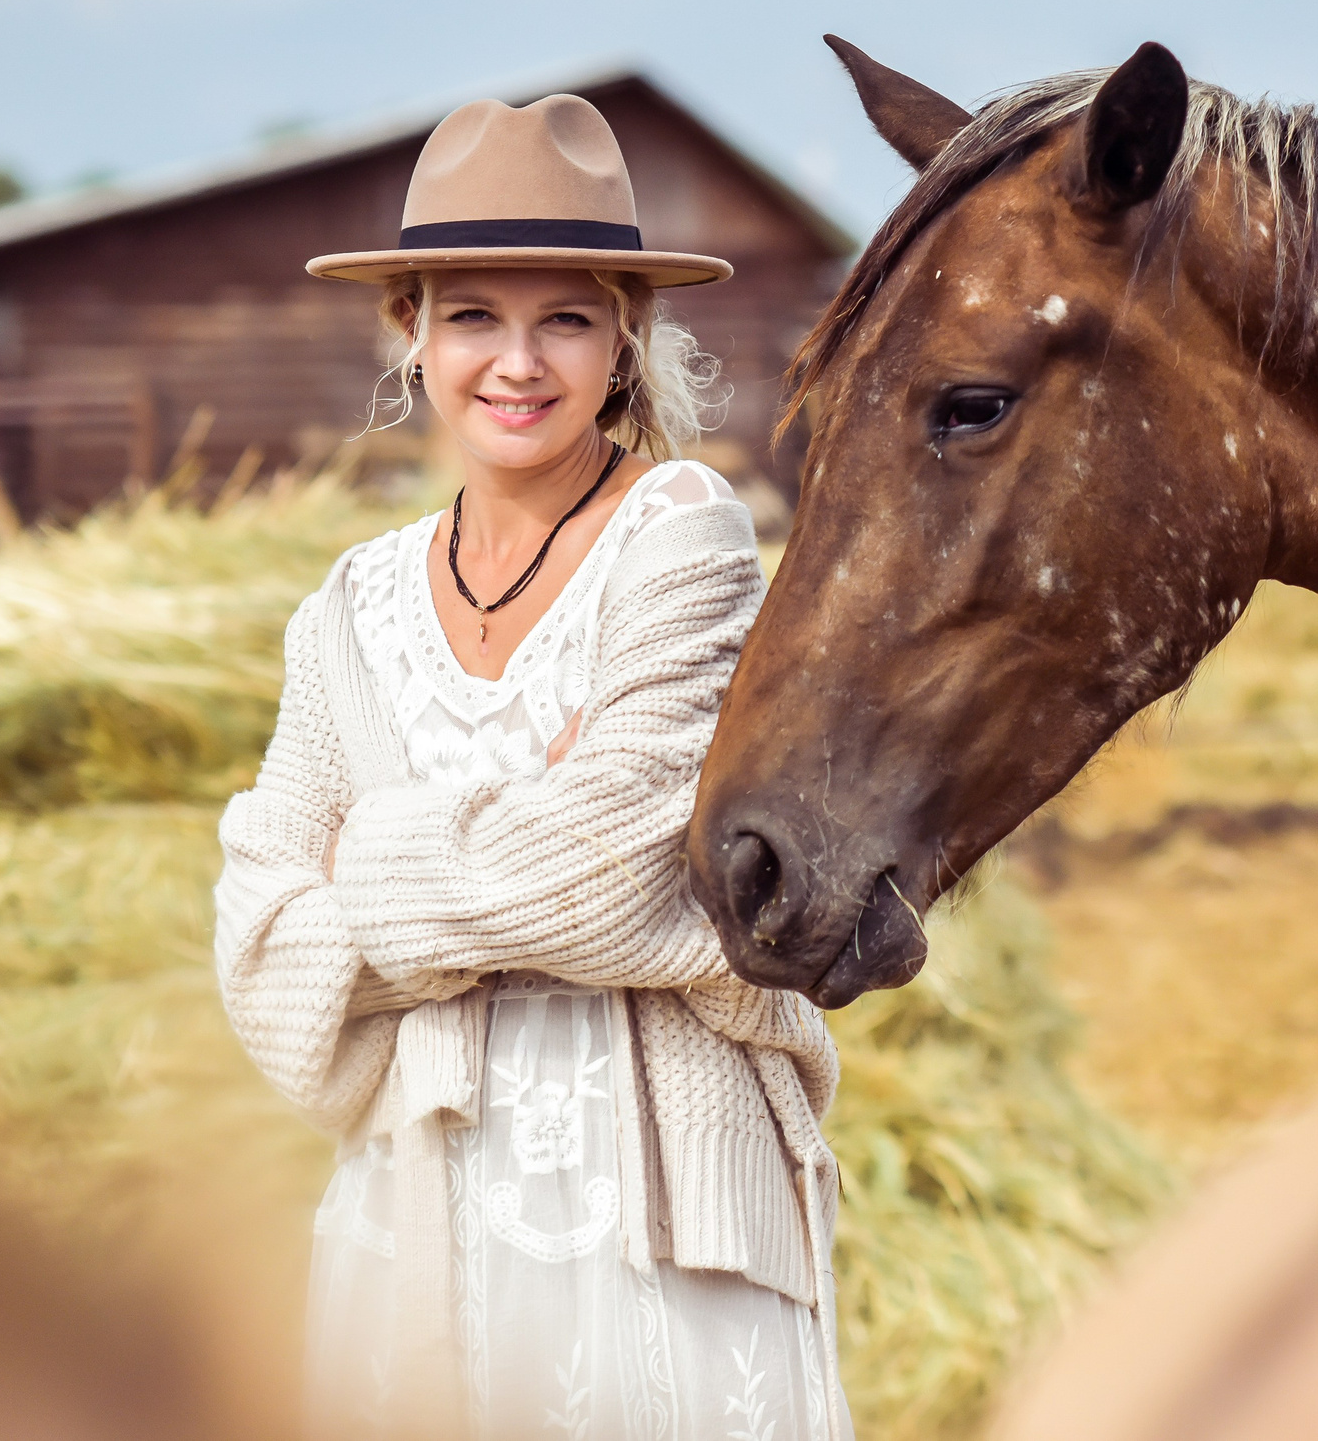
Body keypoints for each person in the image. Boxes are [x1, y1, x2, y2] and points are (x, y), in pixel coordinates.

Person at [213, 93, 850, 1441]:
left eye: (564, 315)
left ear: (627, 333)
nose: (518, 363)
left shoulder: (682, 534)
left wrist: (371, 858)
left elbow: (616, 870)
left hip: (661, 1234)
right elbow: (265, 957)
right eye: (472, 317)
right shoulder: (351, 602)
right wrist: (514, 841)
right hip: (414, 1237)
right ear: (412, 331)